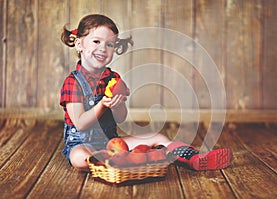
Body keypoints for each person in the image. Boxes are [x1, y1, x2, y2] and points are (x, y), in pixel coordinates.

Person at [60, 14, 232, 171]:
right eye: (96, 42)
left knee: (157, 136)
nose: (103, 48)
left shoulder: (113, 79)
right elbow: (81, 123)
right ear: (79, 44)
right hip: (82, 143)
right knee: (78, 157)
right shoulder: (73, 83)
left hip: (110, 143)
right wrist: (103, 104)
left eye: (110, 44)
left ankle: (193, 158)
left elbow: (120, 118)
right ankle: (126, 160)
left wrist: (117, 105)